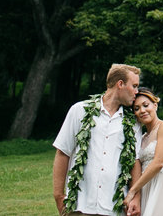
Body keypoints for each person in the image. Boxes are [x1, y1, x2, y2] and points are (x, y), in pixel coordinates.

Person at [53, 64, 144, 216]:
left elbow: (135, 162)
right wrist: (58, 195)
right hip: (79, 204)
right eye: (134, 86)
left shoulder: (133, 123)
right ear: (120, 84)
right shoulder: (79, 111)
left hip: (113, 207)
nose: (137, 92)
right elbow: (63, 152)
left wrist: (136, 197)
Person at [123, 88, 163, 216]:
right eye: (137, 108)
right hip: (146, 189)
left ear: (155, 105)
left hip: (162, 186)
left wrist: (132, 191)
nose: (142, 111)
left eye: (146, 105)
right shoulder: (142, 137)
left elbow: (158, 163)